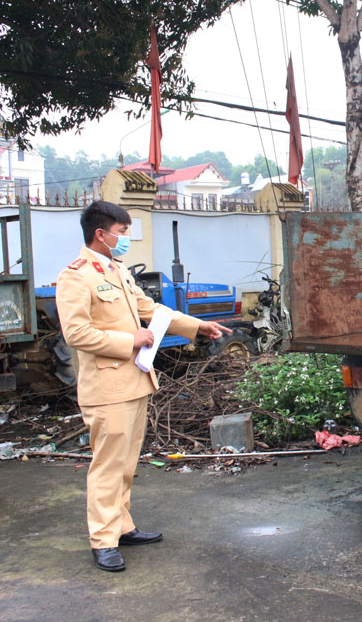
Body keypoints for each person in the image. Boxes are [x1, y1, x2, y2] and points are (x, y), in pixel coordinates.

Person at [56, 201, 231, 572]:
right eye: (121, 233)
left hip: (134, 382)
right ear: (101, 234)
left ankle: (121, 526)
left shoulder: (116, 270)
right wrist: (129, 340)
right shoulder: (76, 275)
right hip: (106, 387)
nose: (125, 240)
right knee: (107, 465)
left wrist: (196, 325)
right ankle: (102, 539)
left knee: (126, 464)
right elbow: (76, 332)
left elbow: (150, 308)